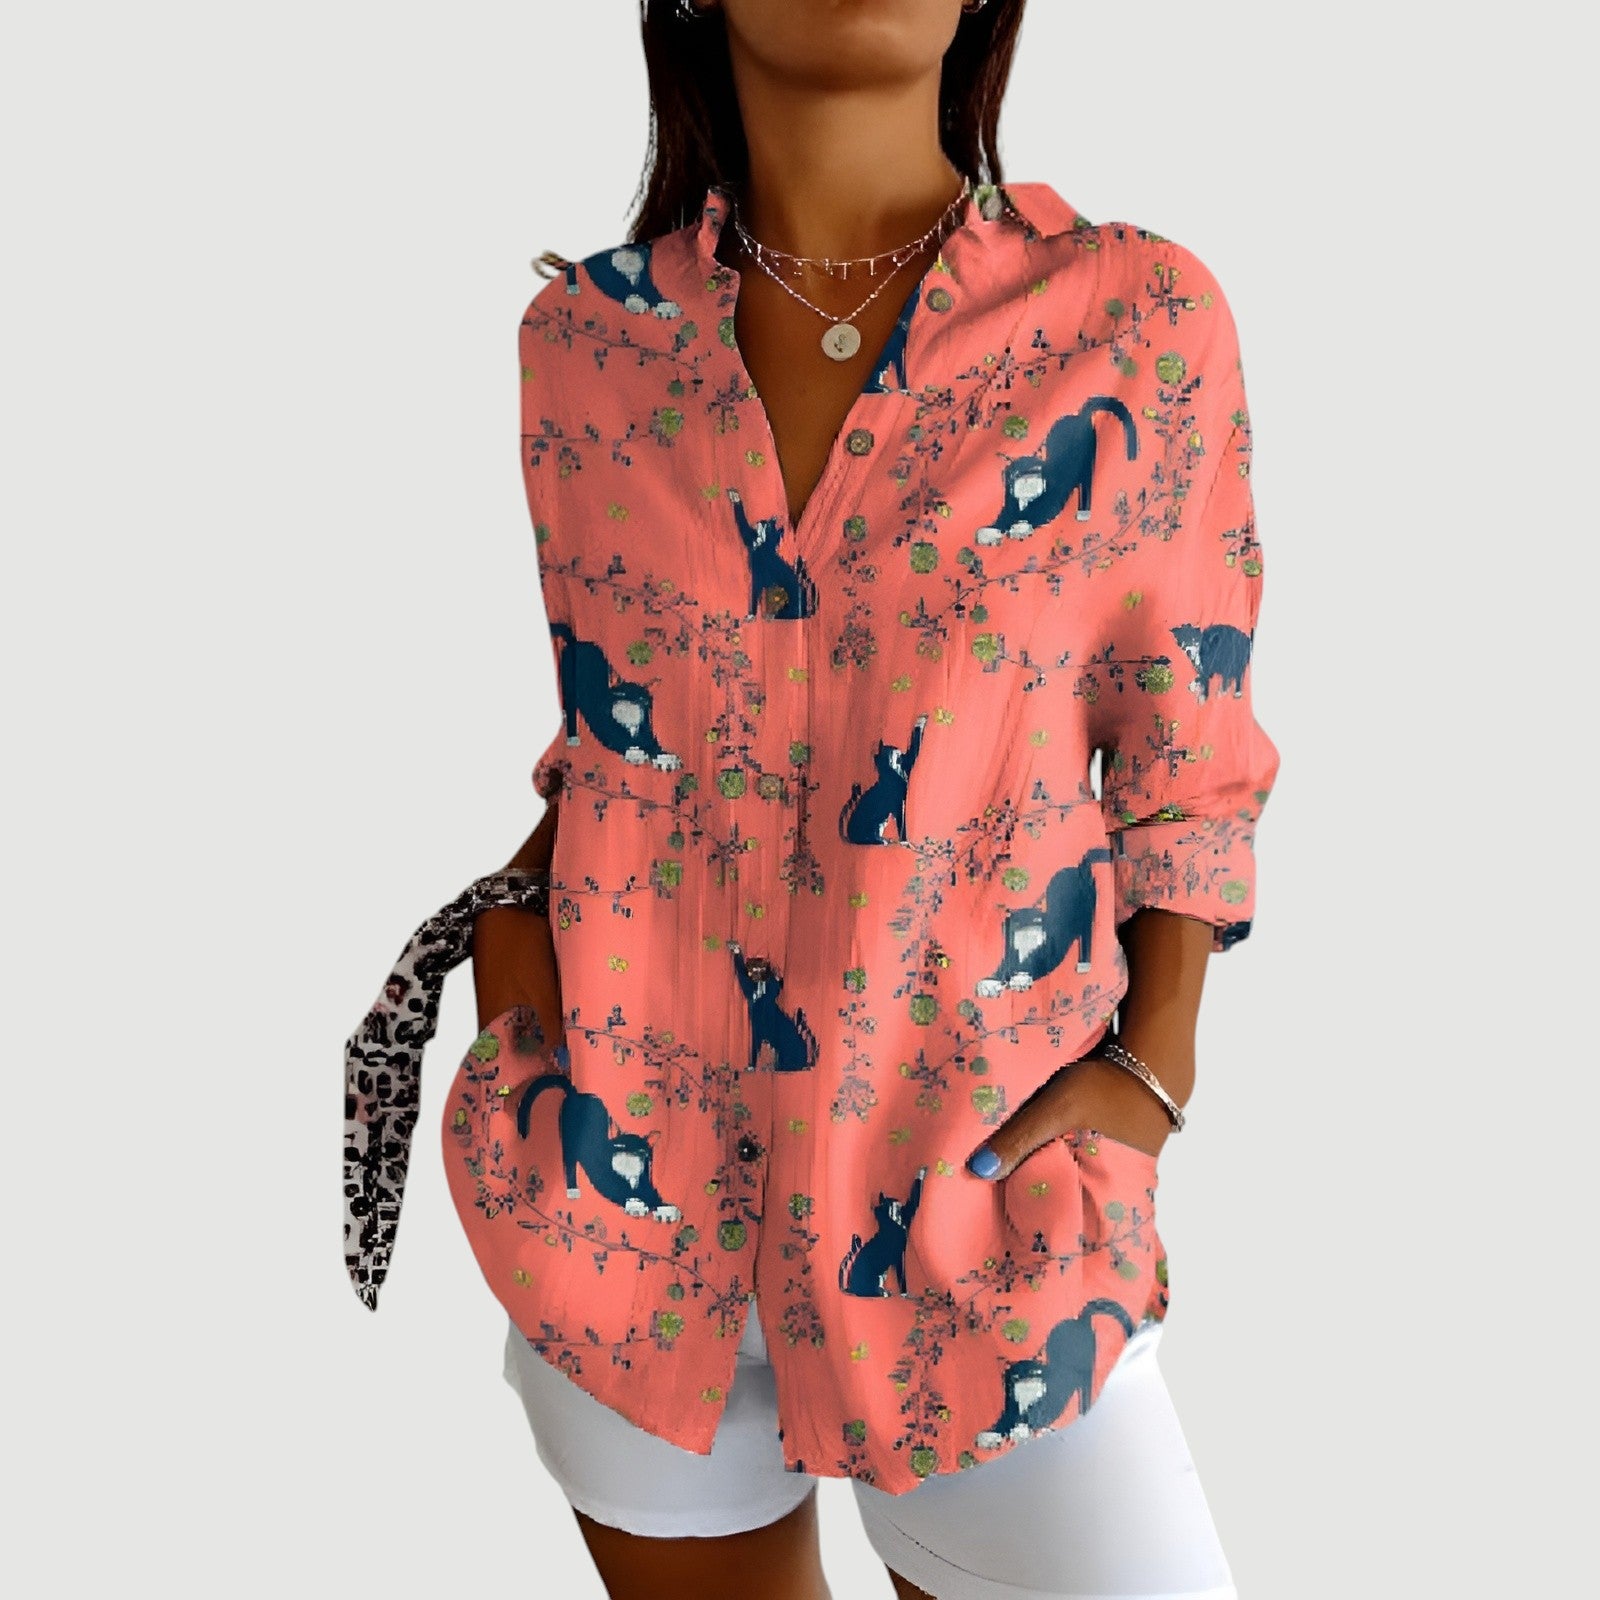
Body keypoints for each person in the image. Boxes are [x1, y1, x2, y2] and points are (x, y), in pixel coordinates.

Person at [426, 2, 1277, 1596]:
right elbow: (626, 731)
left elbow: (1188, 749)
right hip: (626, 1220)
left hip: (984, 1224)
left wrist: (1154, 1069)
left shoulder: (1136, 319)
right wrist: (517, 975)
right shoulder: (587, 345)